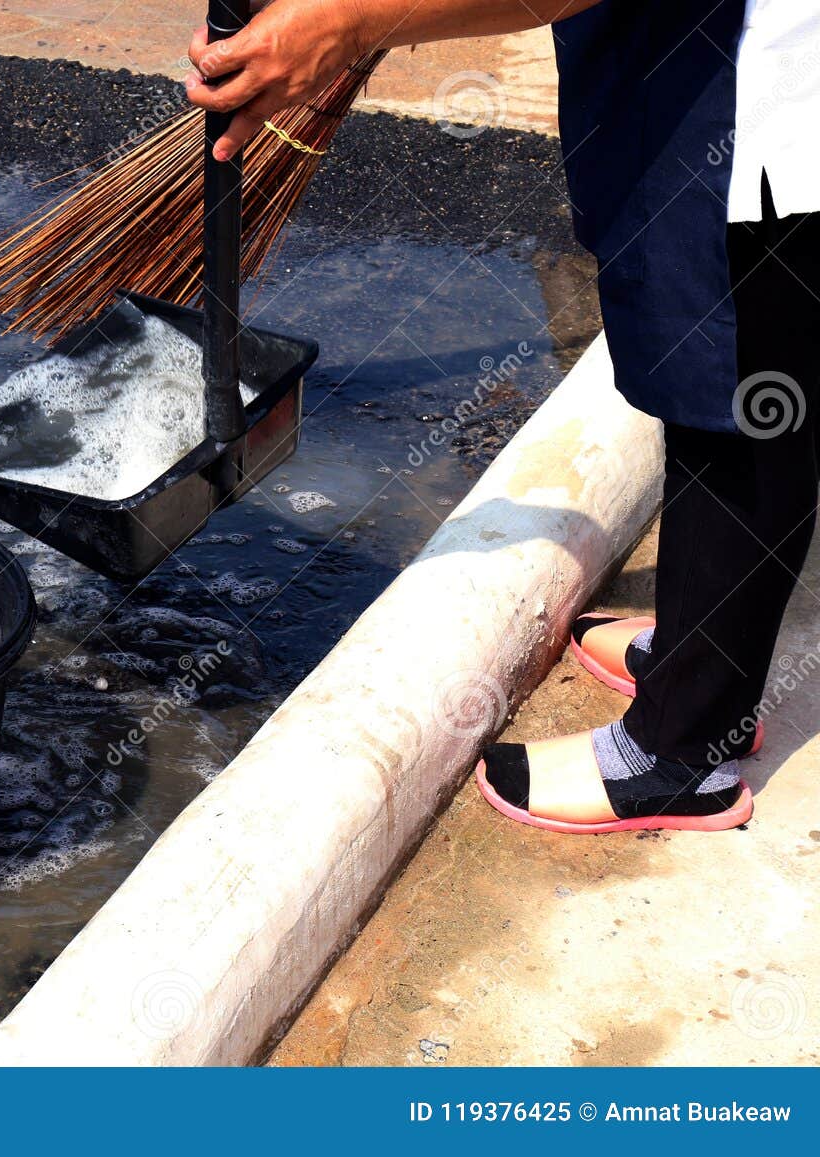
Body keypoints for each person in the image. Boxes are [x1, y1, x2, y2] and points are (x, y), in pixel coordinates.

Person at [186, 0, 820, 833]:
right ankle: (697, 656)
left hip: (765, 98)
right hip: (698, 49)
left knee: (740, 399)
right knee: (703, 372)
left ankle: (681, 752)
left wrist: (348, 23)